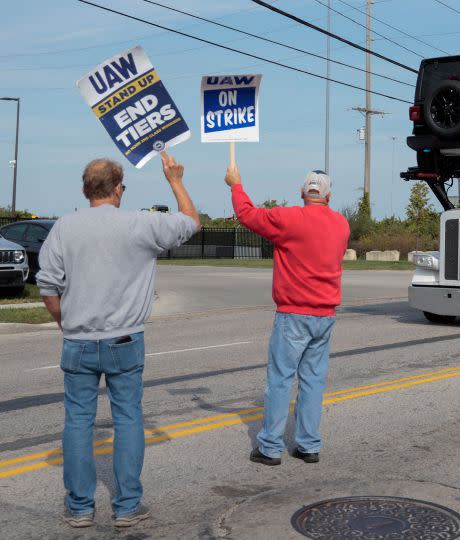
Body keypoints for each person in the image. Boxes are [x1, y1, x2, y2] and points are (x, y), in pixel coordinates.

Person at [38, 153, 200, 528]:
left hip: (78, 340)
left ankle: (80, 508)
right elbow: (191, 222)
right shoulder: (140, 223)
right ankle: (127, 506)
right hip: (126, 339)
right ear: (118, 189)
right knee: (127, 419)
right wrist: (175, 180)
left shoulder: (64, 227)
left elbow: (48, 287)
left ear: (84, 190)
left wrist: (67, 322)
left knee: (78, 421)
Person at [223, 165, 349, 466]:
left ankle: (270, 447)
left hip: (293, 313)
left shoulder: (288, 218)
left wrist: (236, 185)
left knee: (280, 381)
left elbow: (247, 215)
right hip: (325, 315)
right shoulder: (341, 225)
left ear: (301, 193)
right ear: (328, 196)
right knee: (313, 382)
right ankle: (308, 445)